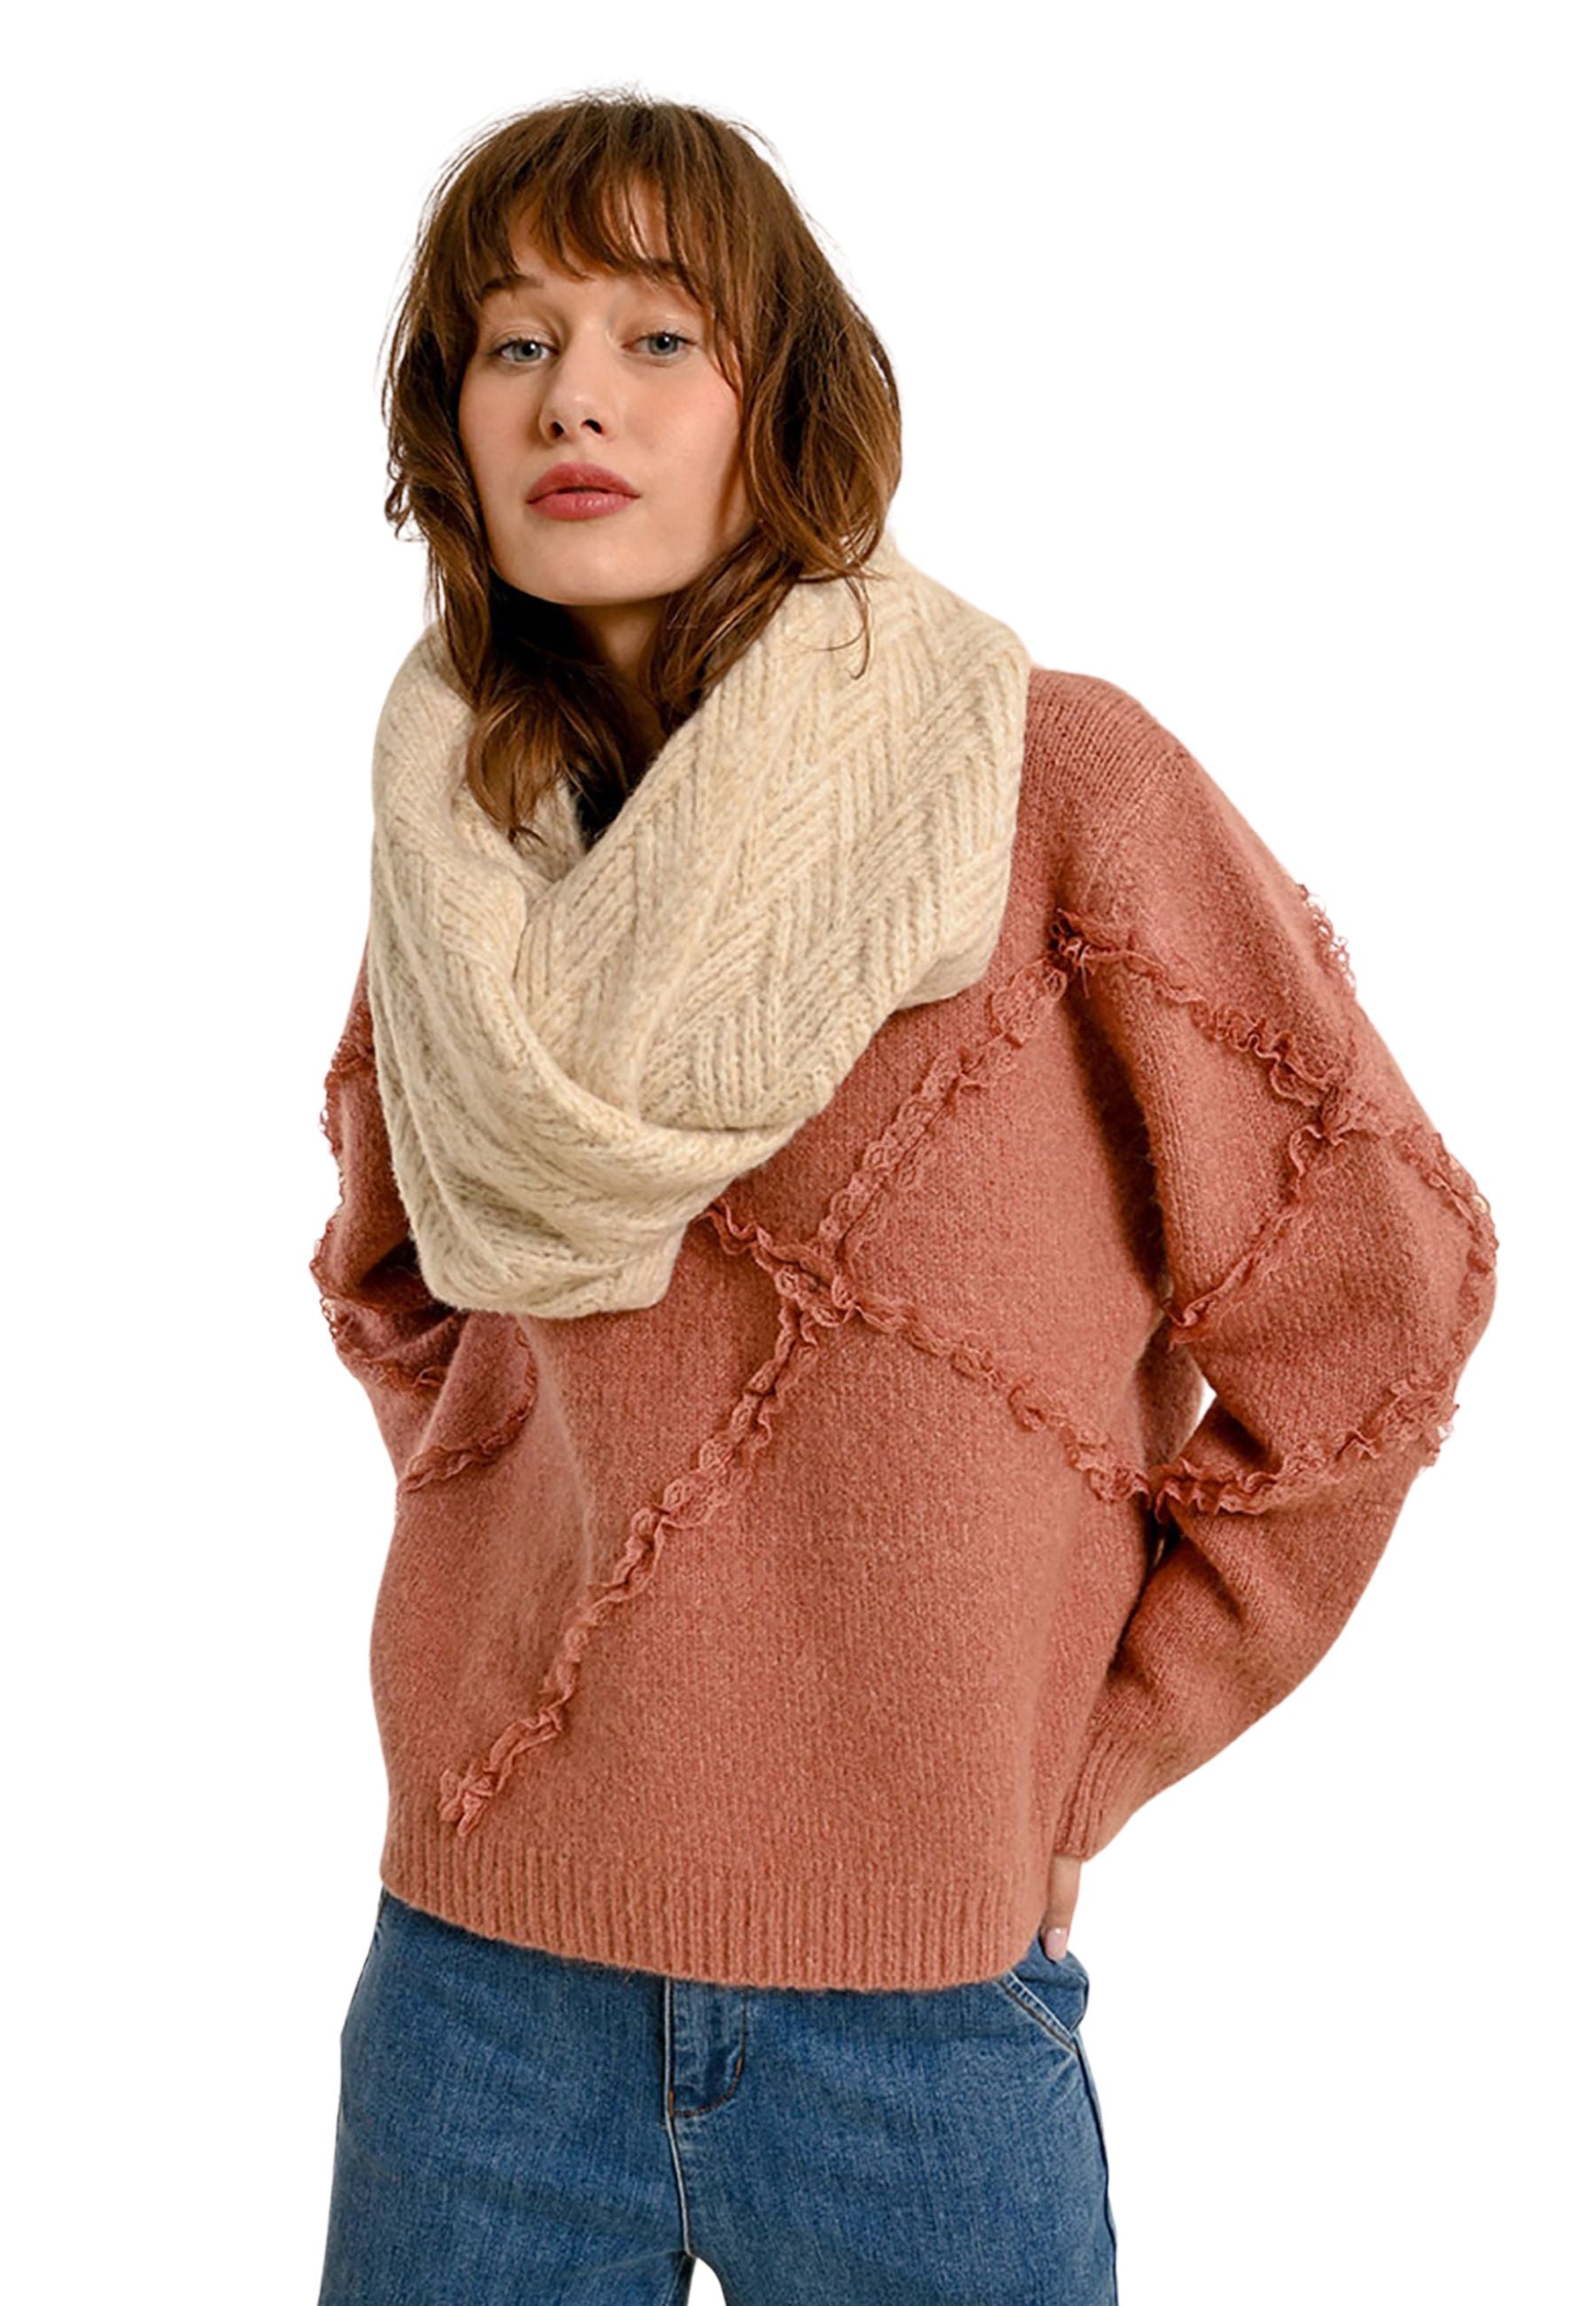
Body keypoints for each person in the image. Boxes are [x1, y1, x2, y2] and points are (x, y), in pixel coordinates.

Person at [311, 92, 1498, 2306]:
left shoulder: (1050, 785)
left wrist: (1086, 1748)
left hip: (920, 2030)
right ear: (447, 422)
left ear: (782, 393)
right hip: (476, 1993)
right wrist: (530, 1545)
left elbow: (1381, 1295)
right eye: (513, 340)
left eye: (660, 335)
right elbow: (399, 1285)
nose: (574, 395)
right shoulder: (466, 841)